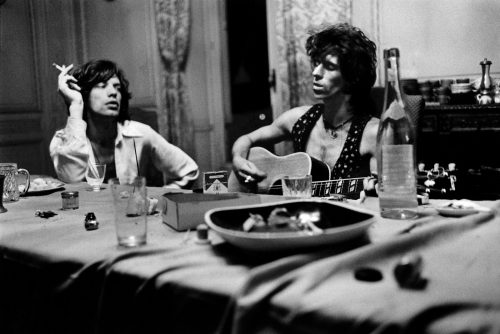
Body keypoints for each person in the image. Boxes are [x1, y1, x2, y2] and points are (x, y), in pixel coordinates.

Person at [231, 23, 379, 193]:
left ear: (352, 76)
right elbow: (246, 139)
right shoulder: (298, 118)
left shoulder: (373, 133)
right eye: (316, 63)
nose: (316, 72)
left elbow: (384, 201)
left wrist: (372, 194)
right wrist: (238, 158)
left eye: (329, 67)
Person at [50, 59, 199, 188]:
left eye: (118, 88)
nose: (113, 93)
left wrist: (160, 200)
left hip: (130, 218)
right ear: (84, 93)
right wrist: (75, 104)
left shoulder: (140, 133)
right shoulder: (63, 141)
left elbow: (189, 170)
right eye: (102, 86)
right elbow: (72, 180)